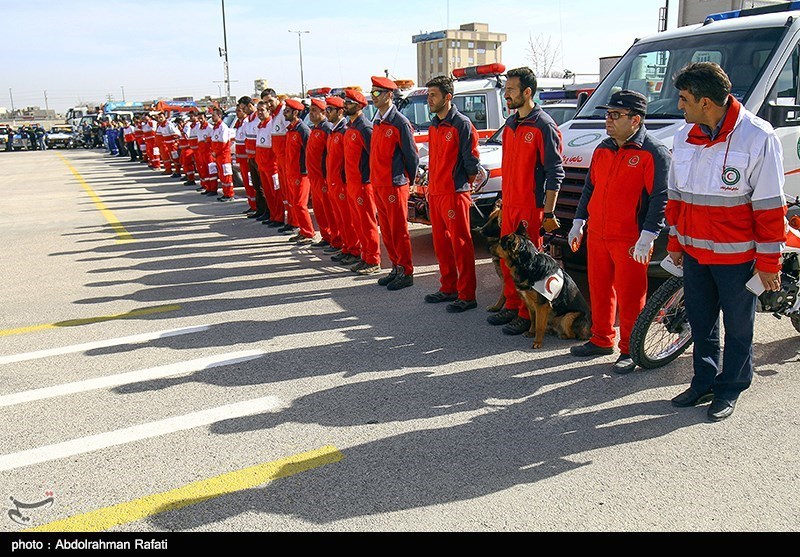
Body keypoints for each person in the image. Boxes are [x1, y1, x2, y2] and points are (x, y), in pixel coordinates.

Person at [665, 62, 787, 421]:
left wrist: (769, 263)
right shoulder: (684, 136)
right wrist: (674, 241)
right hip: (695, 254)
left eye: (684, 99)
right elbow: (676, 196)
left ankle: (731, 387)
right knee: (701, 322)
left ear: (705, 102)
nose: (680, 106)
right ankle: (703, 381)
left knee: (738, 328)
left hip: (737, 259)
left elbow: (769, 207)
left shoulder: (758, 137)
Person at [568, 90, 670, 373]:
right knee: (599, 289)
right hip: (598, 233)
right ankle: (601, 339)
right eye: (607, 114)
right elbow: (590, 187)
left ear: (635, 120)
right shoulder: (603, 148)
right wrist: (579, 221)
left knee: (631, 295)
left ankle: (630, 348)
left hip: (631, 237)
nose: (608, 120)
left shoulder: (653, 152)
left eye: (616, 115)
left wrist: (648, 235)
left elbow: (661, 197)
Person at [486, 67, 564, 335]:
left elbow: (555, 171)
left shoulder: (544, 125)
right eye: (506, 90)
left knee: (527, 264)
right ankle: (511, 304)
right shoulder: (511, 124)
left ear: (527, 92)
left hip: (531, 206)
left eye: (511, 90)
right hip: (510, 204)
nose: (506, 95)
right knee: (507, 259)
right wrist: (502, 201)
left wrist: (549, 213)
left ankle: (526, 314)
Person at [423, 75, 481, 312]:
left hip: (455, 193)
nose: (429, 99)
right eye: (428, 95)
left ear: (447, 97)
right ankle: (448, 287)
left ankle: (467, 294)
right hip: (436, 192)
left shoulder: (461, 124)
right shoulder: (434, 125)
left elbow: (472, 163)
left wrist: (462, 187)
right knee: (441, 244)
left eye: (433, 95)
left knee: (460, 244)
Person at [369, 76, 419, 291]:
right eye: (372, 92)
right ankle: (396, 267)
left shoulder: (400, 122)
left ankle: (406, 271)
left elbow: (411, 156)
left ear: (389, 95)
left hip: (394, 184)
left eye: (377, 93)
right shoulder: (377, 121)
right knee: (387, 231)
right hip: (379, 183)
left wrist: (409, 180)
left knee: (398, 230)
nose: (373, 97)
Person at [342, 88, 381, 274]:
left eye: (348, 103)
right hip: (352, 183)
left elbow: (373, 156)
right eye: (345, 102)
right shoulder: (351, 127)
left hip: (363, 183)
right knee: (358, 222)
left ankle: (373, 260)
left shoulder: (365, 128)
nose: (345, 105)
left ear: (359, 106)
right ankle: (365, 256)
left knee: (367, 222)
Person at [326, 95, 361, 263]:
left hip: (343, 182)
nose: (326, 113)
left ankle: (354, 250)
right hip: (333, 181)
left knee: (348, 219)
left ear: (340, 112)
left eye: (329, 109)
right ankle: (346, 247)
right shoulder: (333, 131)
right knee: (340, 218)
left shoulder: (344, 131)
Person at [283, 98, 314, 244]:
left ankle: (308, 233)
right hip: (291, 172)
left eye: (287, 111)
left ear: (295, 113)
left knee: (300, 204)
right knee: (295, 203)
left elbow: (309, 152)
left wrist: (305, 171)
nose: (284, 113)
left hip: (301, 174)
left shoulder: (303, 130)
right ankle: (302, 230)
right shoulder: (291, 129)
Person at [233, 98, 255, 214]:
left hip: (247, 159)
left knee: (251, 183)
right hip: (242, 159)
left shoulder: (247, 122)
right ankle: (252, 204)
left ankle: (255, 205)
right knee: (247, 183)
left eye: (240, 110)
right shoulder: (240, 123)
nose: (238, 113)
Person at [209, 106, 235, 201]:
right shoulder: (216, 127)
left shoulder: (223, 127)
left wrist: (215, 152)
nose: (212, 117)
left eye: (214, 115)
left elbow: (223, 143)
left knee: (226, 175)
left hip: (223, 156)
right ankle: (225, 193)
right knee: (222, 176)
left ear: (219, 116)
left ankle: (230, 194)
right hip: (218, 156)